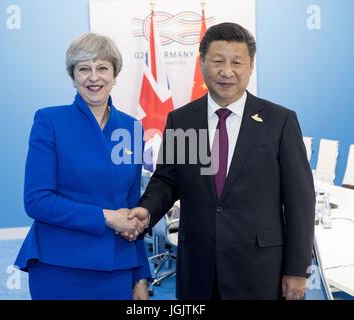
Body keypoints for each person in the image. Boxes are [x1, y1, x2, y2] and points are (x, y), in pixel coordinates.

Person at [128, 22, 315, 300]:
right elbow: (168, 181)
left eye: (237, 62)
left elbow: (300, 200)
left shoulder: (279, 121)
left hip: (260, 269)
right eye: (217, 61)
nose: (227, 71)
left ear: (250, 66)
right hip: (198, 268)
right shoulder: (183, 119)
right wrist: (147, 210)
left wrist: (298, 269)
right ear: (202, 63)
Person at [14, 33, 151, 300]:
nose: (93, 77)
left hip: (118, 267)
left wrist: (140, 276)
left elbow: (132, 208)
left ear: (114, 74)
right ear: (73, 76)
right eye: (84, 69)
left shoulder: (132, 127)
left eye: (102, 68)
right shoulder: (50, 121)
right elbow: (37, 201)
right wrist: (106, 216)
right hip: (60, 265)